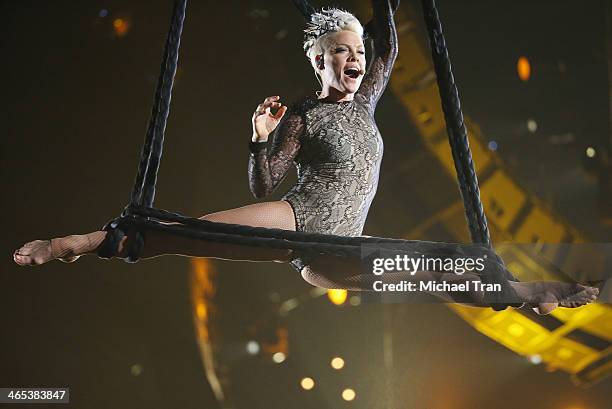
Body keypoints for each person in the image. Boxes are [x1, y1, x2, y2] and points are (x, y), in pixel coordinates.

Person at [13, 1, 598, 314]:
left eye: (359, 52)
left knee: (447, 265)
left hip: (343, 254)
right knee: (187, 233)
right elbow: (265, 183)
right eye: (341, 53)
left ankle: (522, 297)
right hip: (302, 224)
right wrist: (260, 135)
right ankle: (77, 243)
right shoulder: (303, 114)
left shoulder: (367, 100)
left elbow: (389, 38)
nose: (356, 60)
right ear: (318, 62)